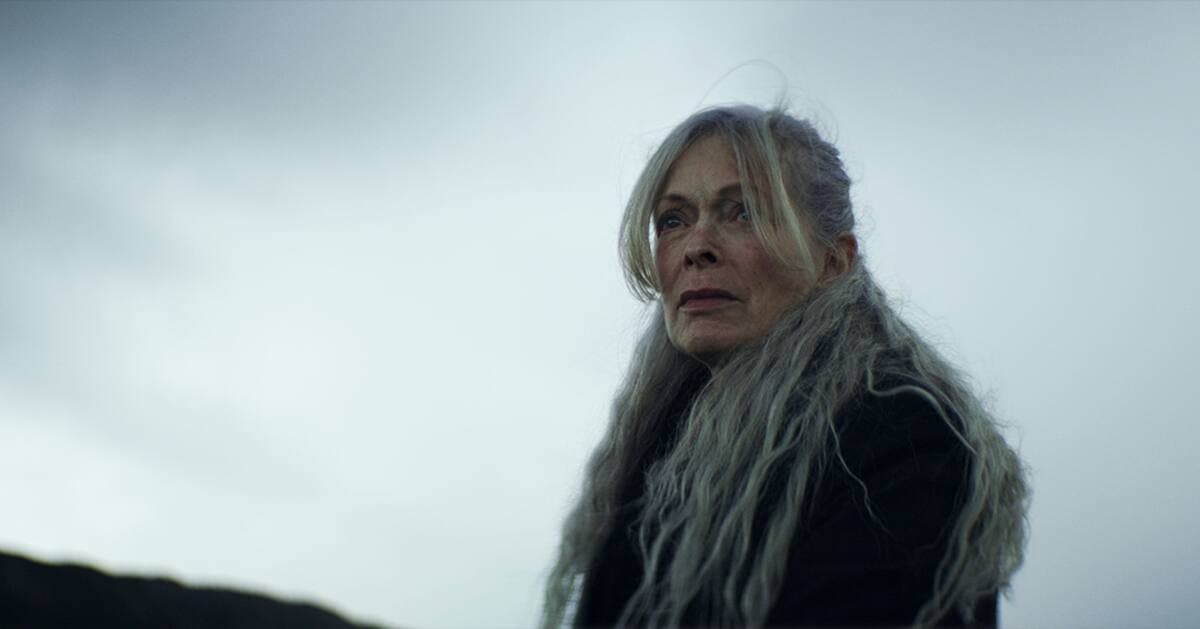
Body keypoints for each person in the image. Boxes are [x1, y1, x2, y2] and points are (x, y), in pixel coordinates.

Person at [541, 105, 1029, 628]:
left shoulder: (901, 438)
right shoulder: (653, 459)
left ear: (833, 262)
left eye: (744, 212)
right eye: (673, 220)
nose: (697, 247)